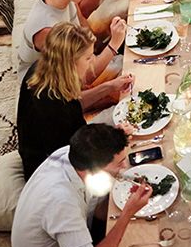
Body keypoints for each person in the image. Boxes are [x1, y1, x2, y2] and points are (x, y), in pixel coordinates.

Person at [11, 124, 153, 247]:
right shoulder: (61, 201)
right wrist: (127, 214)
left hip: (81, 227)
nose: (124, 167)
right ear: (93, 170)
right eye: (119, 163)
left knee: (134, 234)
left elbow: (96, 207)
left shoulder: (71, 154)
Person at [17, 22, 132, 181]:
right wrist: (115, 139)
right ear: (70, 62)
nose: (93, 62)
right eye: (88, 57)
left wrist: (109, 87)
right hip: (54, 170)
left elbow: (75, 103)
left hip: (70, 146)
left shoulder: (45, 69)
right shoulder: (50, 105)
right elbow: (77, 157)